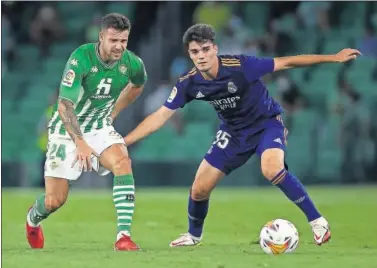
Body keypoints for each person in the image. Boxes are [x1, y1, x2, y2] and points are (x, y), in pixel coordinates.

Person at [124, 24, 361, 247]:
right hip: (233, 133)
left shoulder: (240, 66)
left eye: (206, 49)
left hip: (266, 124)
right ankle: (193, 236)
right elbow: (160, 115)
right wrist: (125, 141)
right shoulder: (189, 83)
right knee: (198, 189)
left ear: (215, 48)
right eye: (195, 51)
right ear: (190, 54)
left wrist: (333, 57)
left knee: (271, 169)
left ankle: (318, 222)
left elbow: (287, 62)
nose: (201, 56)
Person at [25, 13, 147, 251]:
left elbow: (138, 84)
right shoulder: (81, 58)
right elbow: (64, 106)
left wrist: (113, 112)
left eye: (123, 40)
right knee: (55, 201)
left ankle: (123, 236)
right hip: (66, 128)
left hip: (99, 126)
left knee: (123, 162)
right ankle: (33, 218)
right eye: (113, 40)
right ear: (101, 37)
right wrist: (80, 142)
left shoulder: (132, 63)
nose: (119, 46)